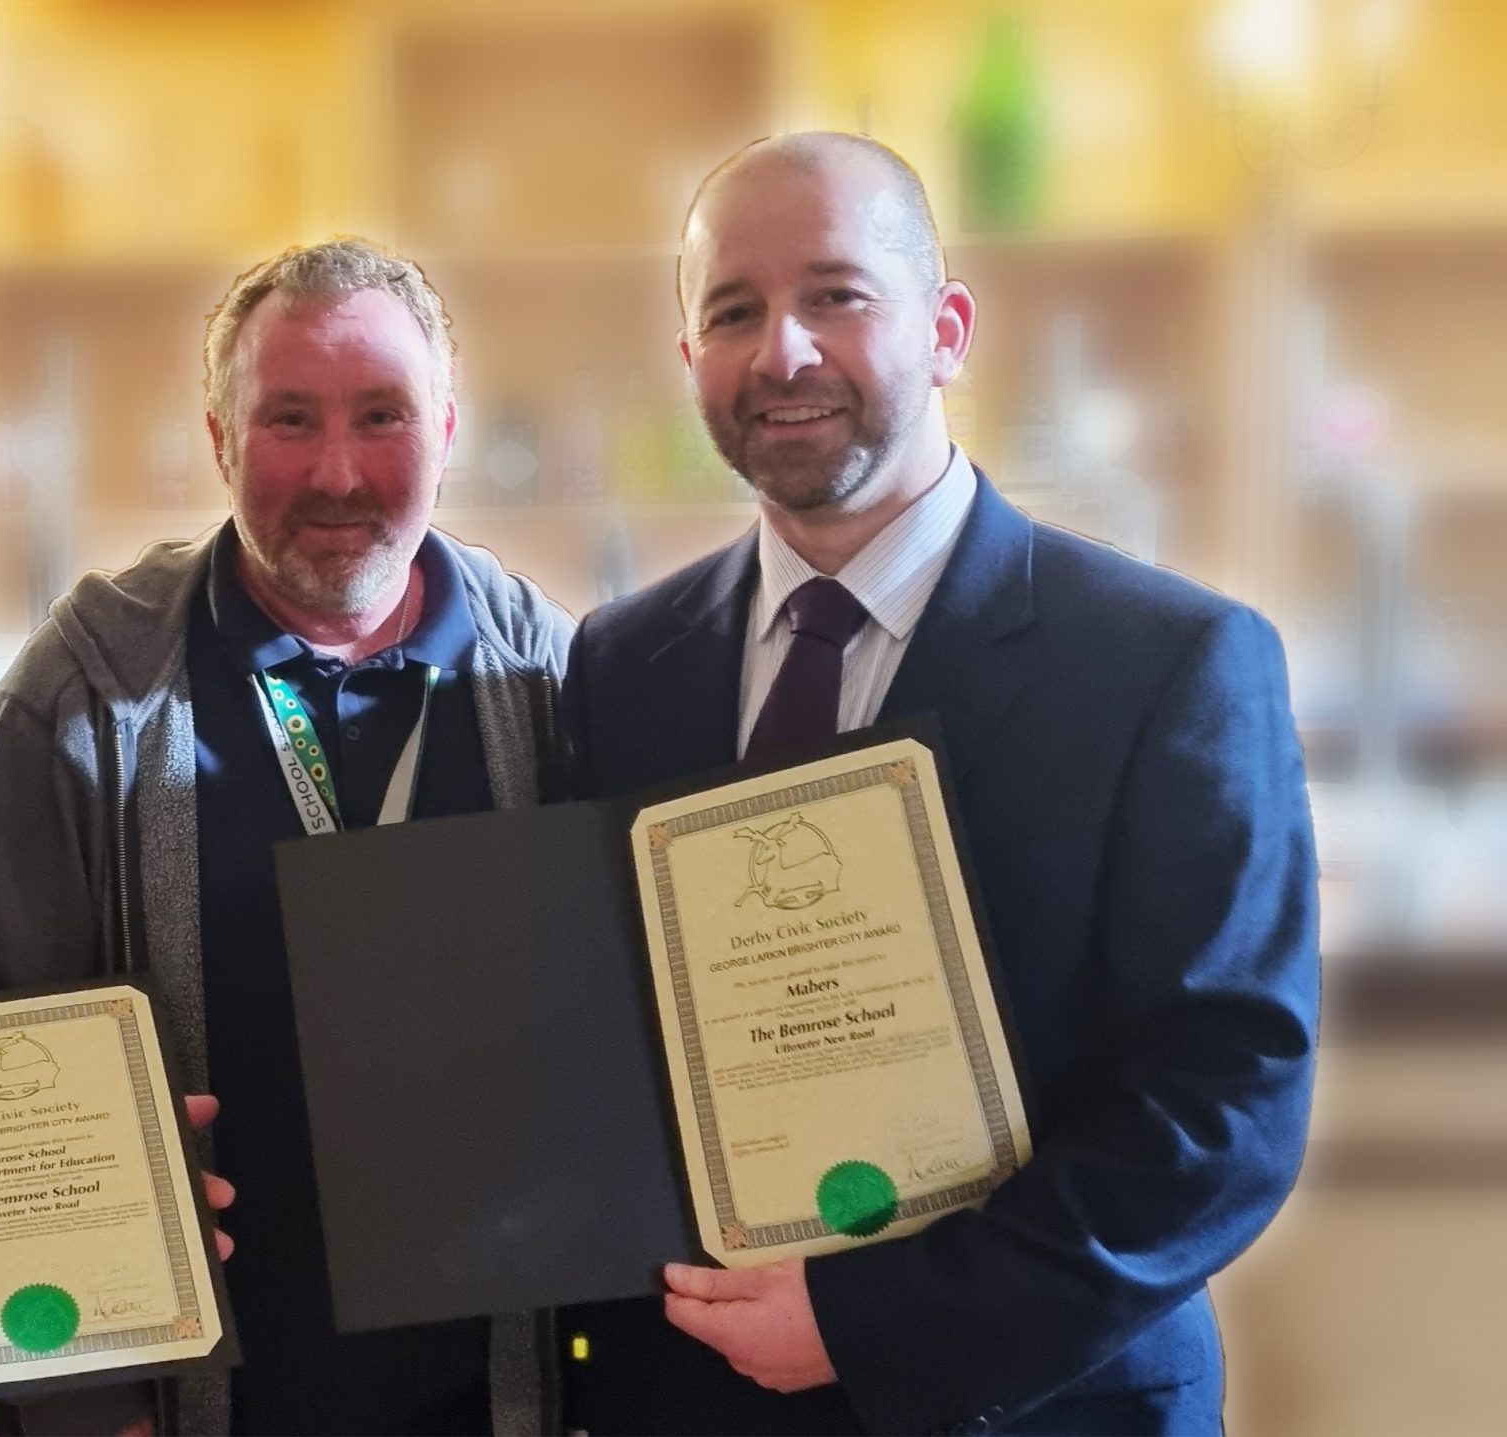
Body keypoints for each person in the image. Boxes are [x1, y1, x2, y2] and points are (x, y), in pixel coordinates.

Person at [555, 132, 1318, 1435]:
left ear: (947, 329)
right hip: (692, 1396)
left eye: (836, 295)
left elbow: (1222, 1106)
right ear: (691, 361)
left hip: (1040, 1404)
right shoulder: (621, 663)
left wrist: (874, 1322)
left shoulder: (1170, 663)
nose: (784, 351)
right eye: (733, 312)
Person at [0, 237, 573, 1435]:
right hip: (193, 1408)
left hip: (496, 1400)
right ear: (220, 438)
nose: (337, 472)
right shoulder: (83, 697)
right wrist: (90, 1412)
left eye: (382, 415)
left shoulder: (548, 679)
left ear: (446, 431)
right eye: (289, 420)